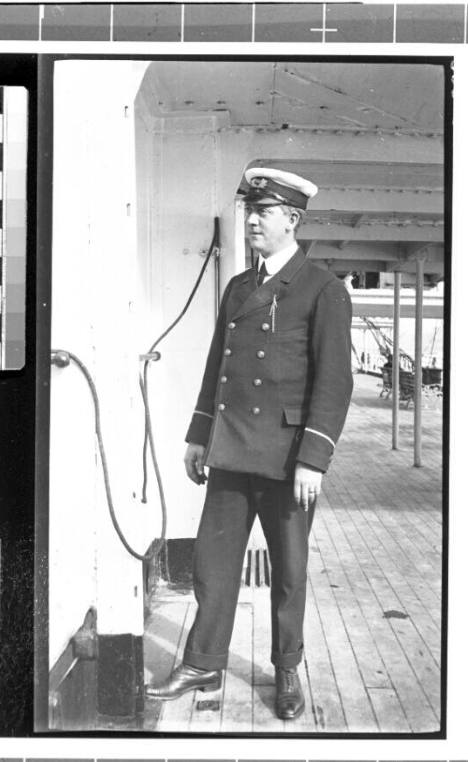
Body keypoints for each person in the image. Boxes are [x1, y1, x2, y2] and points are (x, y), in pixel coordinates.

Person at [146, 167, 353, 720]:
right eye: (251, 210)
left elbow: (335, 382)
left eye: (265, 212)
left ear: (293, 220)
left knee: (288, 572)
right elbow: (219, 367)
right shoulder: (240, 286)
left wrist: (314, 458)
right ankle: (202, 661)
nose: (254, 220)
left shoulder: (323, 289)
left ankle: (287, 667)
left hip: (289, 460)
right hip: (233, 451)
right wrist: (197, 436)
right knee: (213, 567)